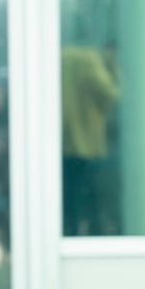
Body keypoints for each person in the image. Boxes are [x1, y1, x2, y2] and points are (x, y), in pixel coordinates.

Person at [61, 43, 120, 236]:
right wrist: (113, 72)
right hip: (85, 146)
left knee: (67, 204)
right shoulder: (90, 60)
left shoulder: (57, 58)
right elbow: (109, 94)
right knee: (91, 203)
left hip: (62, 143)